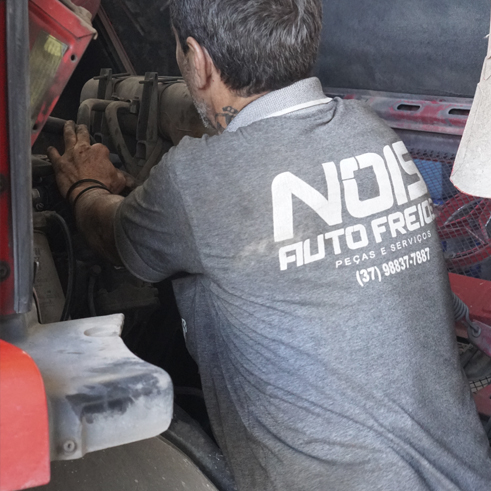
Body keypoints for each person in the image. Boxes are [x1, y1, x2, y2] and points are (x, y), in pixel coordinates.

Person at [48, 0, 491, 489]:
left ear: (198, 59)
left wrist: (84, 185)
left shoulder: (198, 178)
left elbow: (114, 237)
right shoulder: (369, 129)